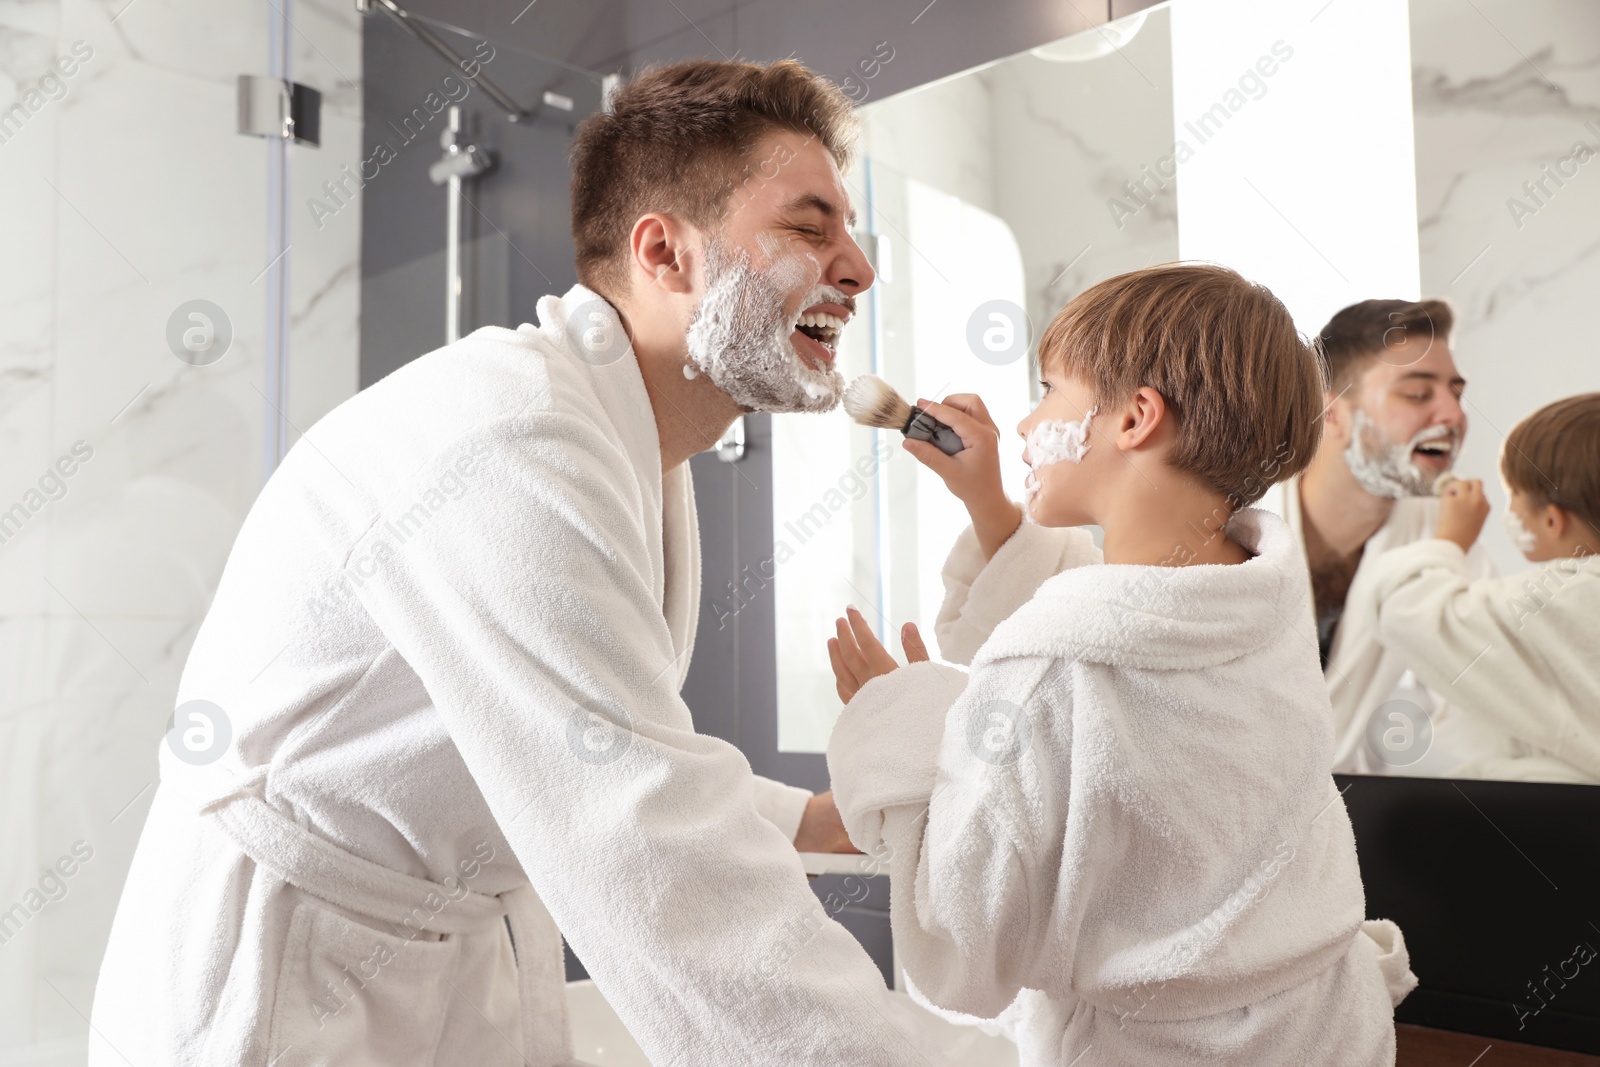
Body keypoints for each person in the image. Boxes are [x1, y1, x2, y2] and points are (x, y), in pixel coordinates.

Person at [89, 59, 956, 1067]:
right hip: (287, 986)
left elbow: (598, 746)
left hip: (428, 959)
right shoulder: (513, 438)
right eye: (810, 228)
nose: (857, 267)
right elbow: (650, 842)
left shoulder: (615, 438)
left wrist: (807, 816)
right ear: (665, 253)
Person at [824, 264, 1415, 1066]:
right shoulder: (1258, 607)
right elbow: (1130, 629)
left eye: (1048, 391)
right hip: (1322, 1034)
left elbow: (964, 952)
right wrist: (992, 506)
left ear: (1136, 417)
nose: (1028, 424)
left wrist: (904, 737)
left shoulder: (1052, 671)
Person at [1280, 298, 1495, 772]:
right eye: (1418, 395)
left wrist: (1445, 555)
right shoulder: (1236, 521)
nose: (1453, 416)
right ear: (1331, 413)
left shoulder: (1444, 537)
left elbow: (1482, 706)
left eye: (1456, 393)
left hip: (1347, 817)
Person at [1350, 393, 1600, 783]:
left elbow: (1403, 605)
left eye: (1513, 494)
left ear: (1552, 522)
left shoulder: (1566, 598)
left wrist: (1449, 540)